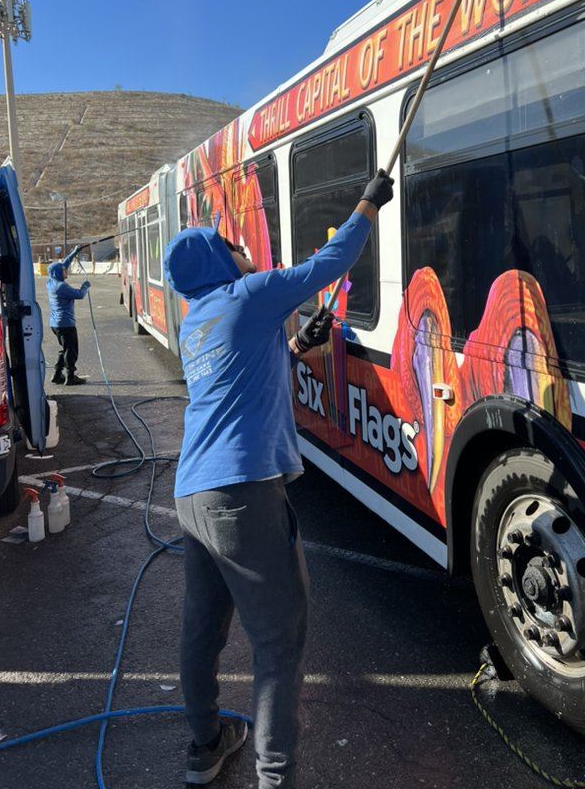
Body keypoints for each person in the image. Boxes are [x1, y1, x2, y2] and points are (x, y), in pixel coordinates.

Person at [163, 170, 394, 788]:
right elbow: (331, 262)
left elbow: (236, 384)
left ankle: (205, 748)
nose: (244, 249)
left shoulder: (198, 323)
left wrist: (294, 351)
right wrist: (368, 203)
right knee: (278, 643)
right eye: (233, 244)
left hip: (193, 494)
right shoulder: (246, 295)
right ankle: (275, 778)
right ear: (219, 259)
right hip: (241, 496)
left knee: (203, 628)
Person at [46, 245, 91, 386]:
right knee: (71, 351)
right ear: (59, 273)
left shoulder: (51, 281)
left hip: (56, 324)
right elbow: (79, 295)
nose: (66, 270)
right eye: (64, 270)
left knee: (64, 349)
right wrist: (85, 286)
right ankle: (70, 377)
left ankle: (57, 374)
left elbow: (63, 264)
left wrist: (75, 251)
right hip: (66, 324)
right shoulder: (61, 287)